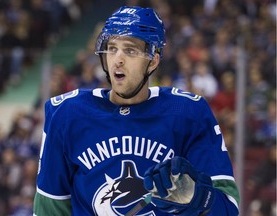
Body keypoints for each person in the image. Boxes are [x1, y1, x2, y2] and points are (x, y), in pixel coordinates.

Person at [33, 6, 240, 216]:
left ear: (153, 60)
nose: (118, 59)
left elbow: (229, 210)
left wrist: (197, 198)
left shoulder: (188, 113)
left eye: (130, 50)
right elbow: (49, 209)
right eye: (112, 48)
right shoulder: (67, 114)